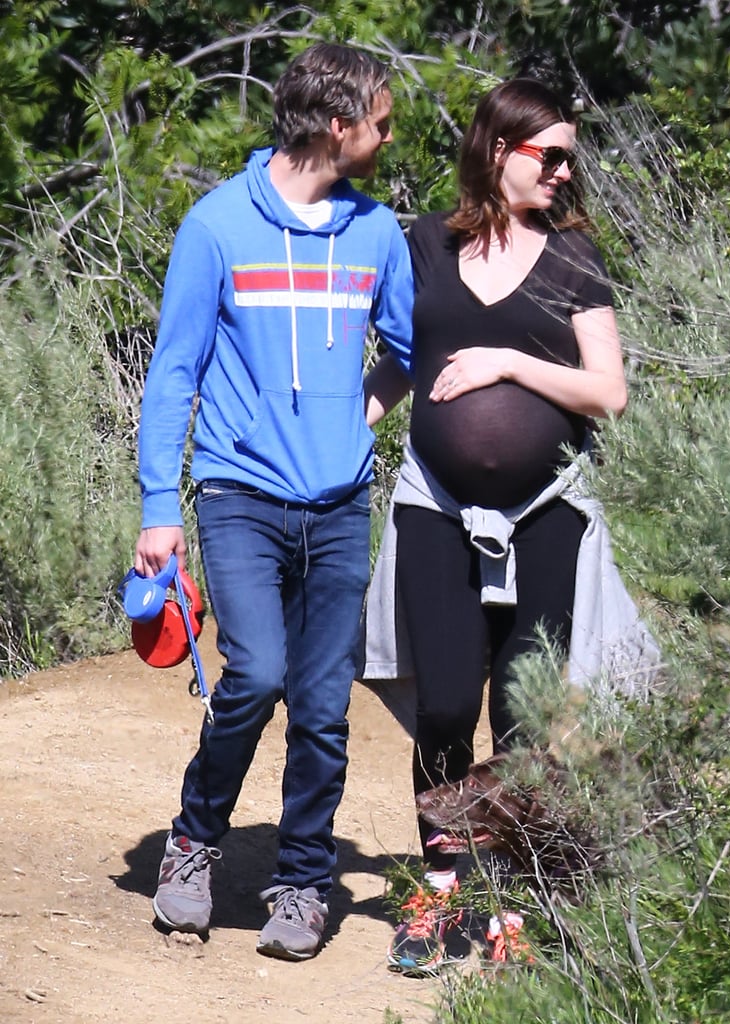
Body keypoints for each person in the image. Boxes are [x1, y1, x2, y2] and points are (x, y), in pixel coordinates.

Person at [134, 41, 413, 962]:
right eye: (379, 118)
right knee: (253, 676)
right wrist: (155, 507)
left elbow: (409, 348)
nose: (386, 134)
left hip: (338, 503)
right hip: (237, 493)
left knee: (324, 704)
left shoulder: (375, 234)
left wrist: (352, 418)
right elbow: (173, 371)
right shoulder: (216, 226)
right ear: (339, 127)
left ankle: (300, 881)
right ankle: (194, 838)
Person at [363, 77, 631, 975]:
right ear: (496, 150)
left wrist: (510, 360)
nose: (560, 171)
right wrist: (330, 432)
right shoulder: (425, 247)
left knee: (523, 714)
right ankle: (436, 895)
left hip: (544, 511)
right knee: (443, 702)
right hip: (433, 503)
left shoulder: (574, 261)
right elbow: (401, 366)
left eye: (568, 158)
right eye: (544, 154)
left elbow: (608, 392)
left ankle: (510, 906)